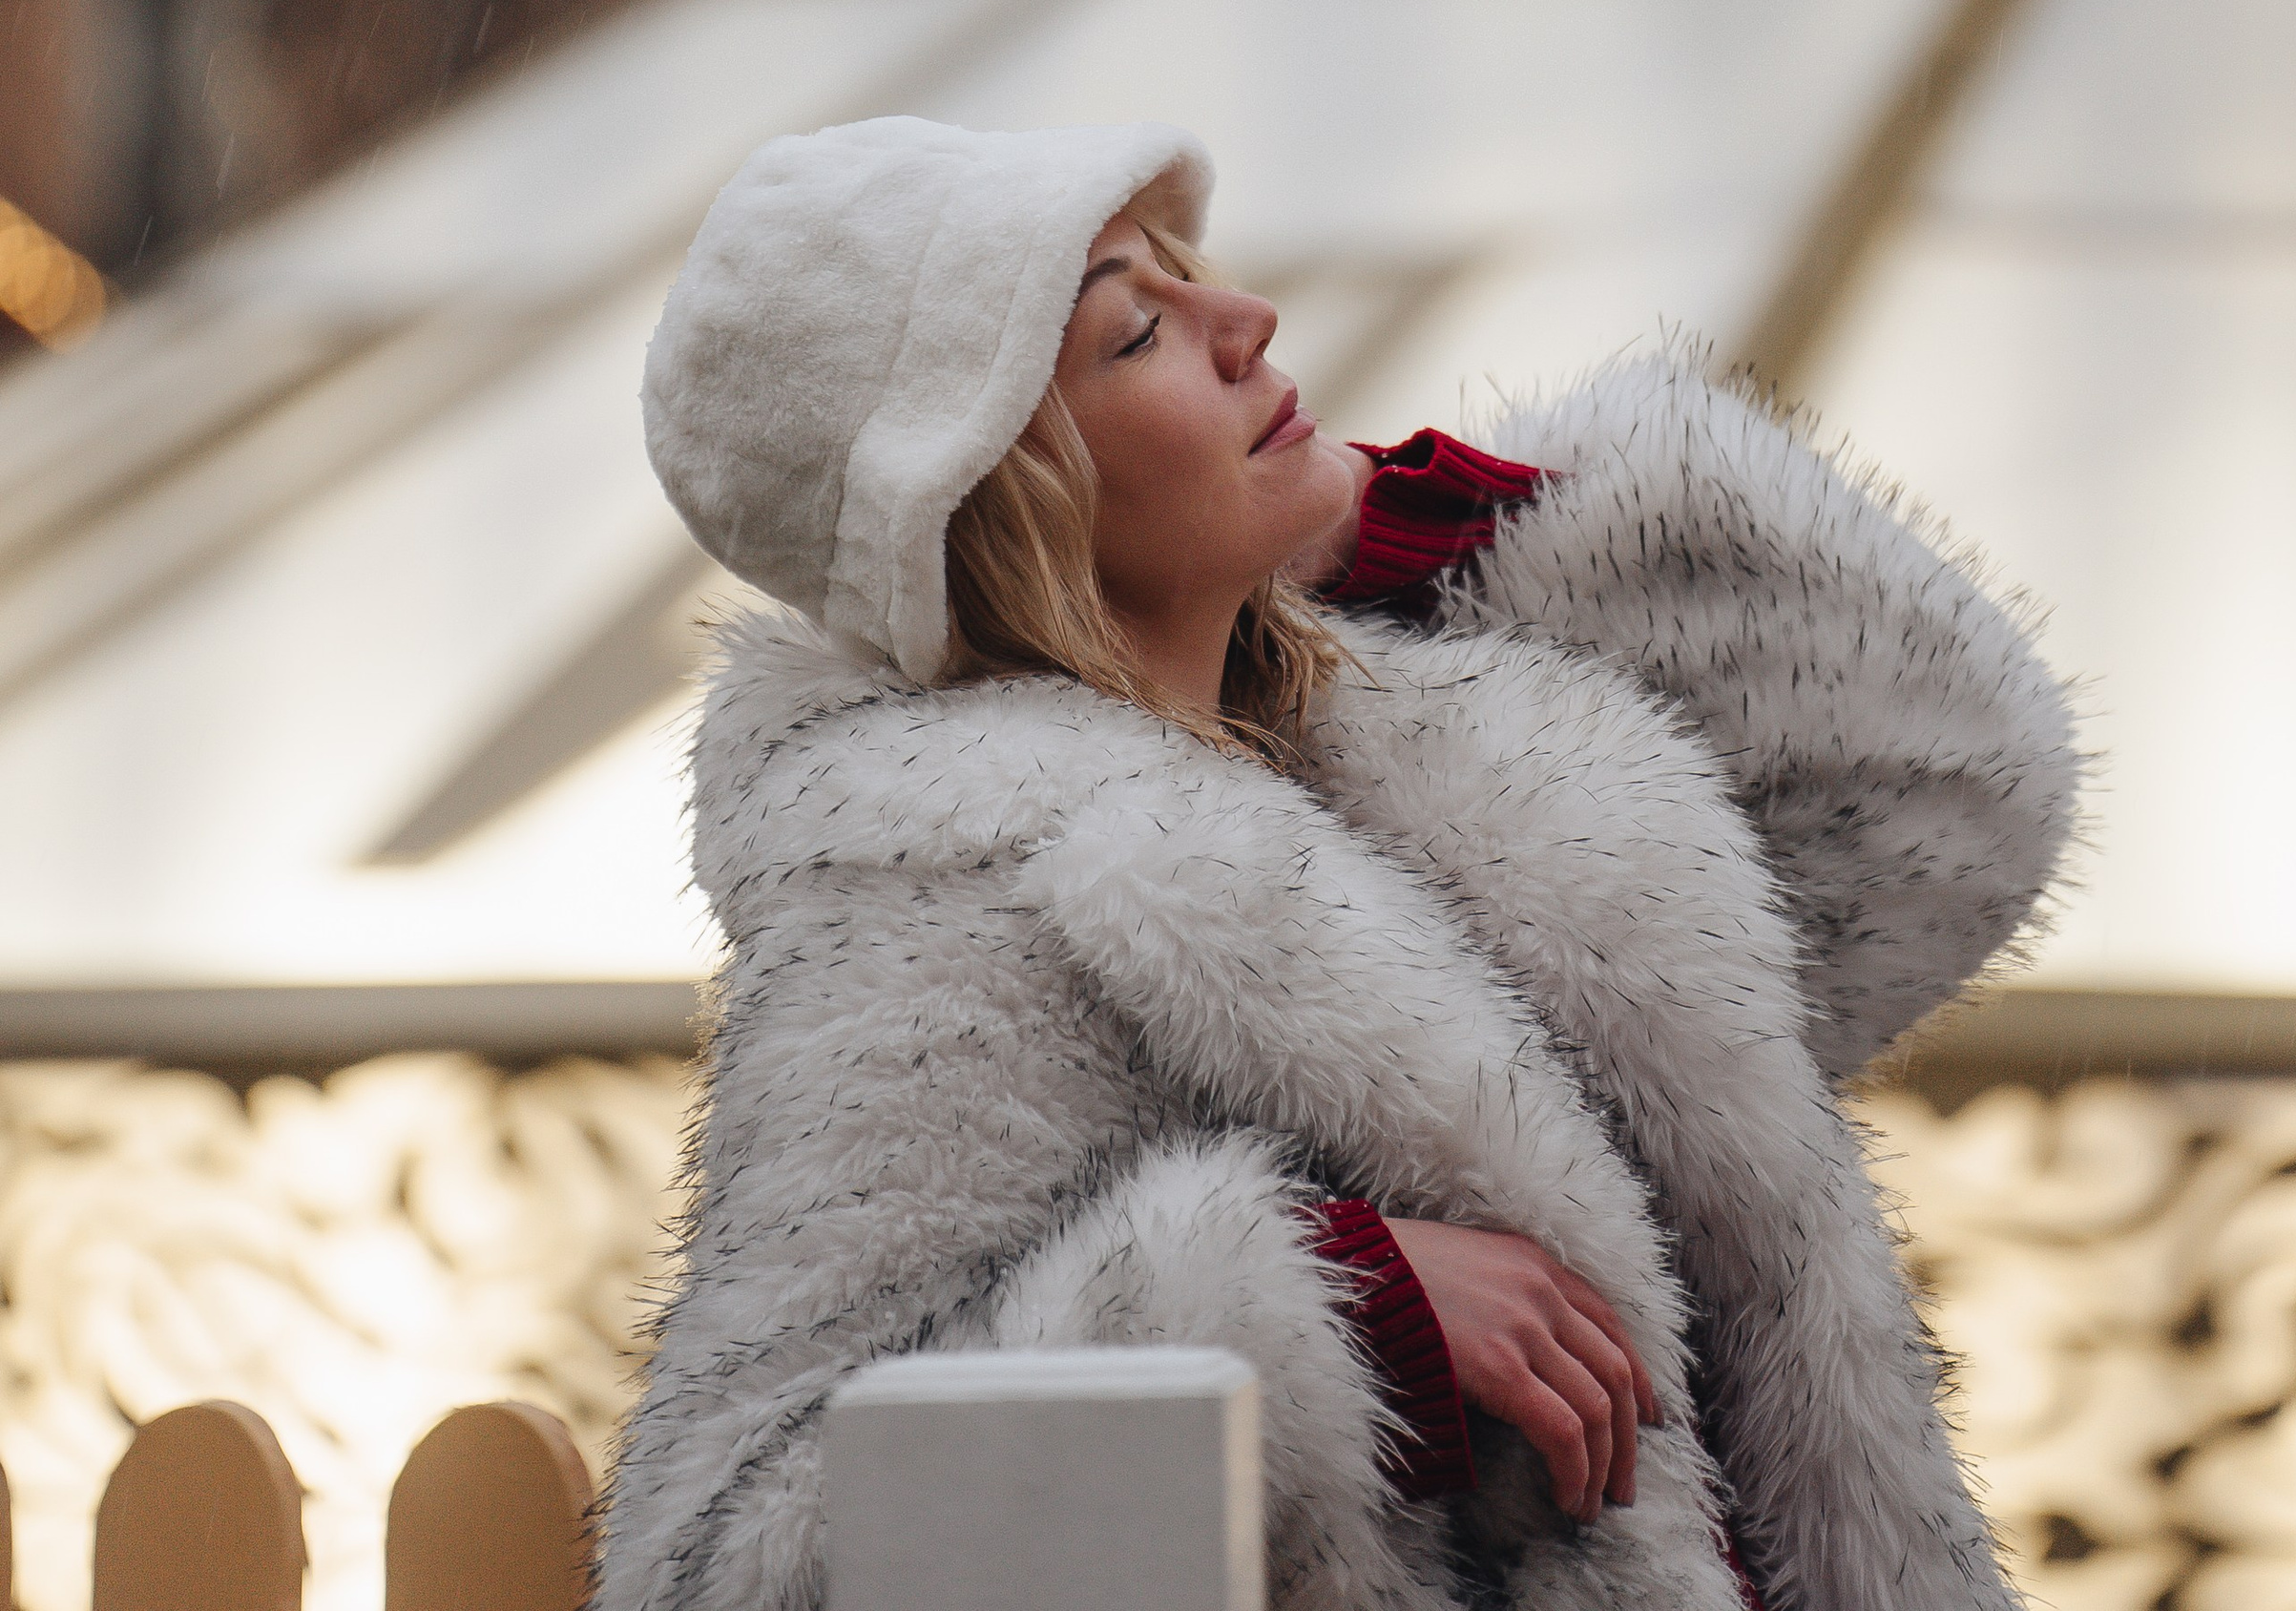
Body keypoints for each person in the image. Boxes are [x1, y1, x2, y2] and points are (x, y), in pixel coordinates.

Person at [598, 116, 2077, 1611]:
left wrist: (1487, 535)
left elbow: (1943, 791)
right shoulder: (937, 918)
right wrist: (1319, 1318)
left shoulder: (1410, 736)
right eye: (1138, 334)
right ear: (996, 496)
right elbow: (733, 1566)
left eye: (1196, 286)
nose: (1247, 327)